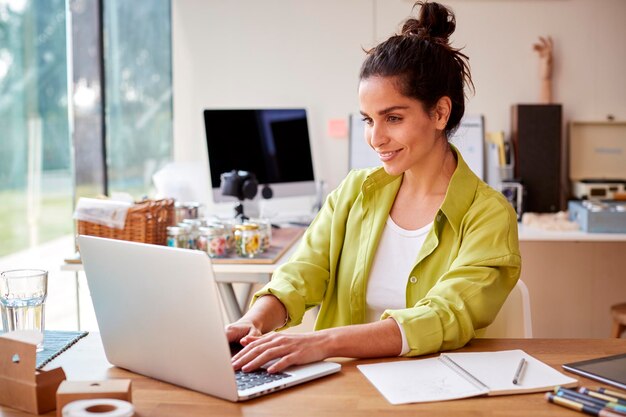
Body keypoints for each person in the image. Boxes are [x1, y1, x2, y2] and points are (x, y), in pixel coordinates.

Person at [227, 1, 521, 374]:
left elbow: (444, 316)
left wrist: (320, 342)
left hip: (434, 391)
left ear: (440, 113)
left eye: (393, 118)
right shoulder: (354, 192)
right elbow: (302, 272)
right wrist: (254, 320)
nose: (375, 138)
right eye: (368, 119)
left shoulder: (488, 214)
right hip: (344, 390)